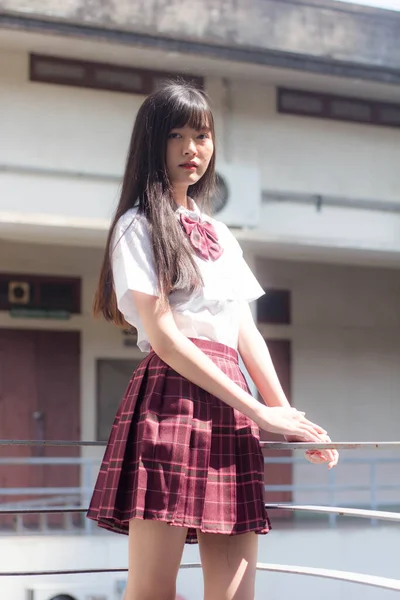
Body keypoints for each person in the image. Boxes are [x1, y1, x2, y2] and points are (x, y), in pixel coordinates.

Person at [87, 81, 339, 600]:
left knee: (233, 594)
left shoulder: (221, 234)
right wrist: (263, 412)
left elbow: (244, 329)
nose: (191, 149)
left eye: (201, 135)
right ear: (151, 143)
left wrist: (286, 416)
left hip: (231, 407)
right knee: (153, 591)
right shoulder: (137, 226)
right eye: (175, 135)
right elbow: (166, 337)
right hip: (172, 399)